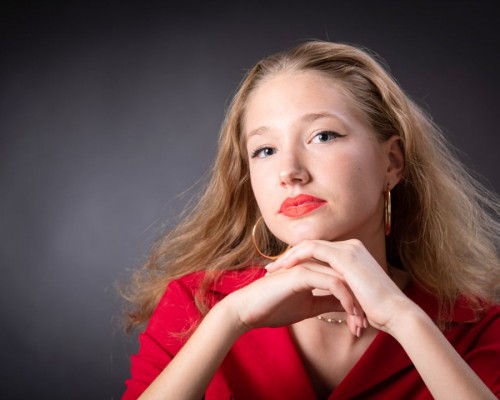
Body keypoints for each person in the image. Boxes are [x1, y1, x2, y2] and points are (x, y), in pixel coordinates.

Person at [121, 41, 500, 399]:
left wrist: (404, 319)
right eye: (265, 149)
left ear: (392, 163)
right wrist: (229, 319)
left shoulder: (476, 325)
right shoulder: (197, 304)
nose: (289, 171)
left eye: (322, 136)